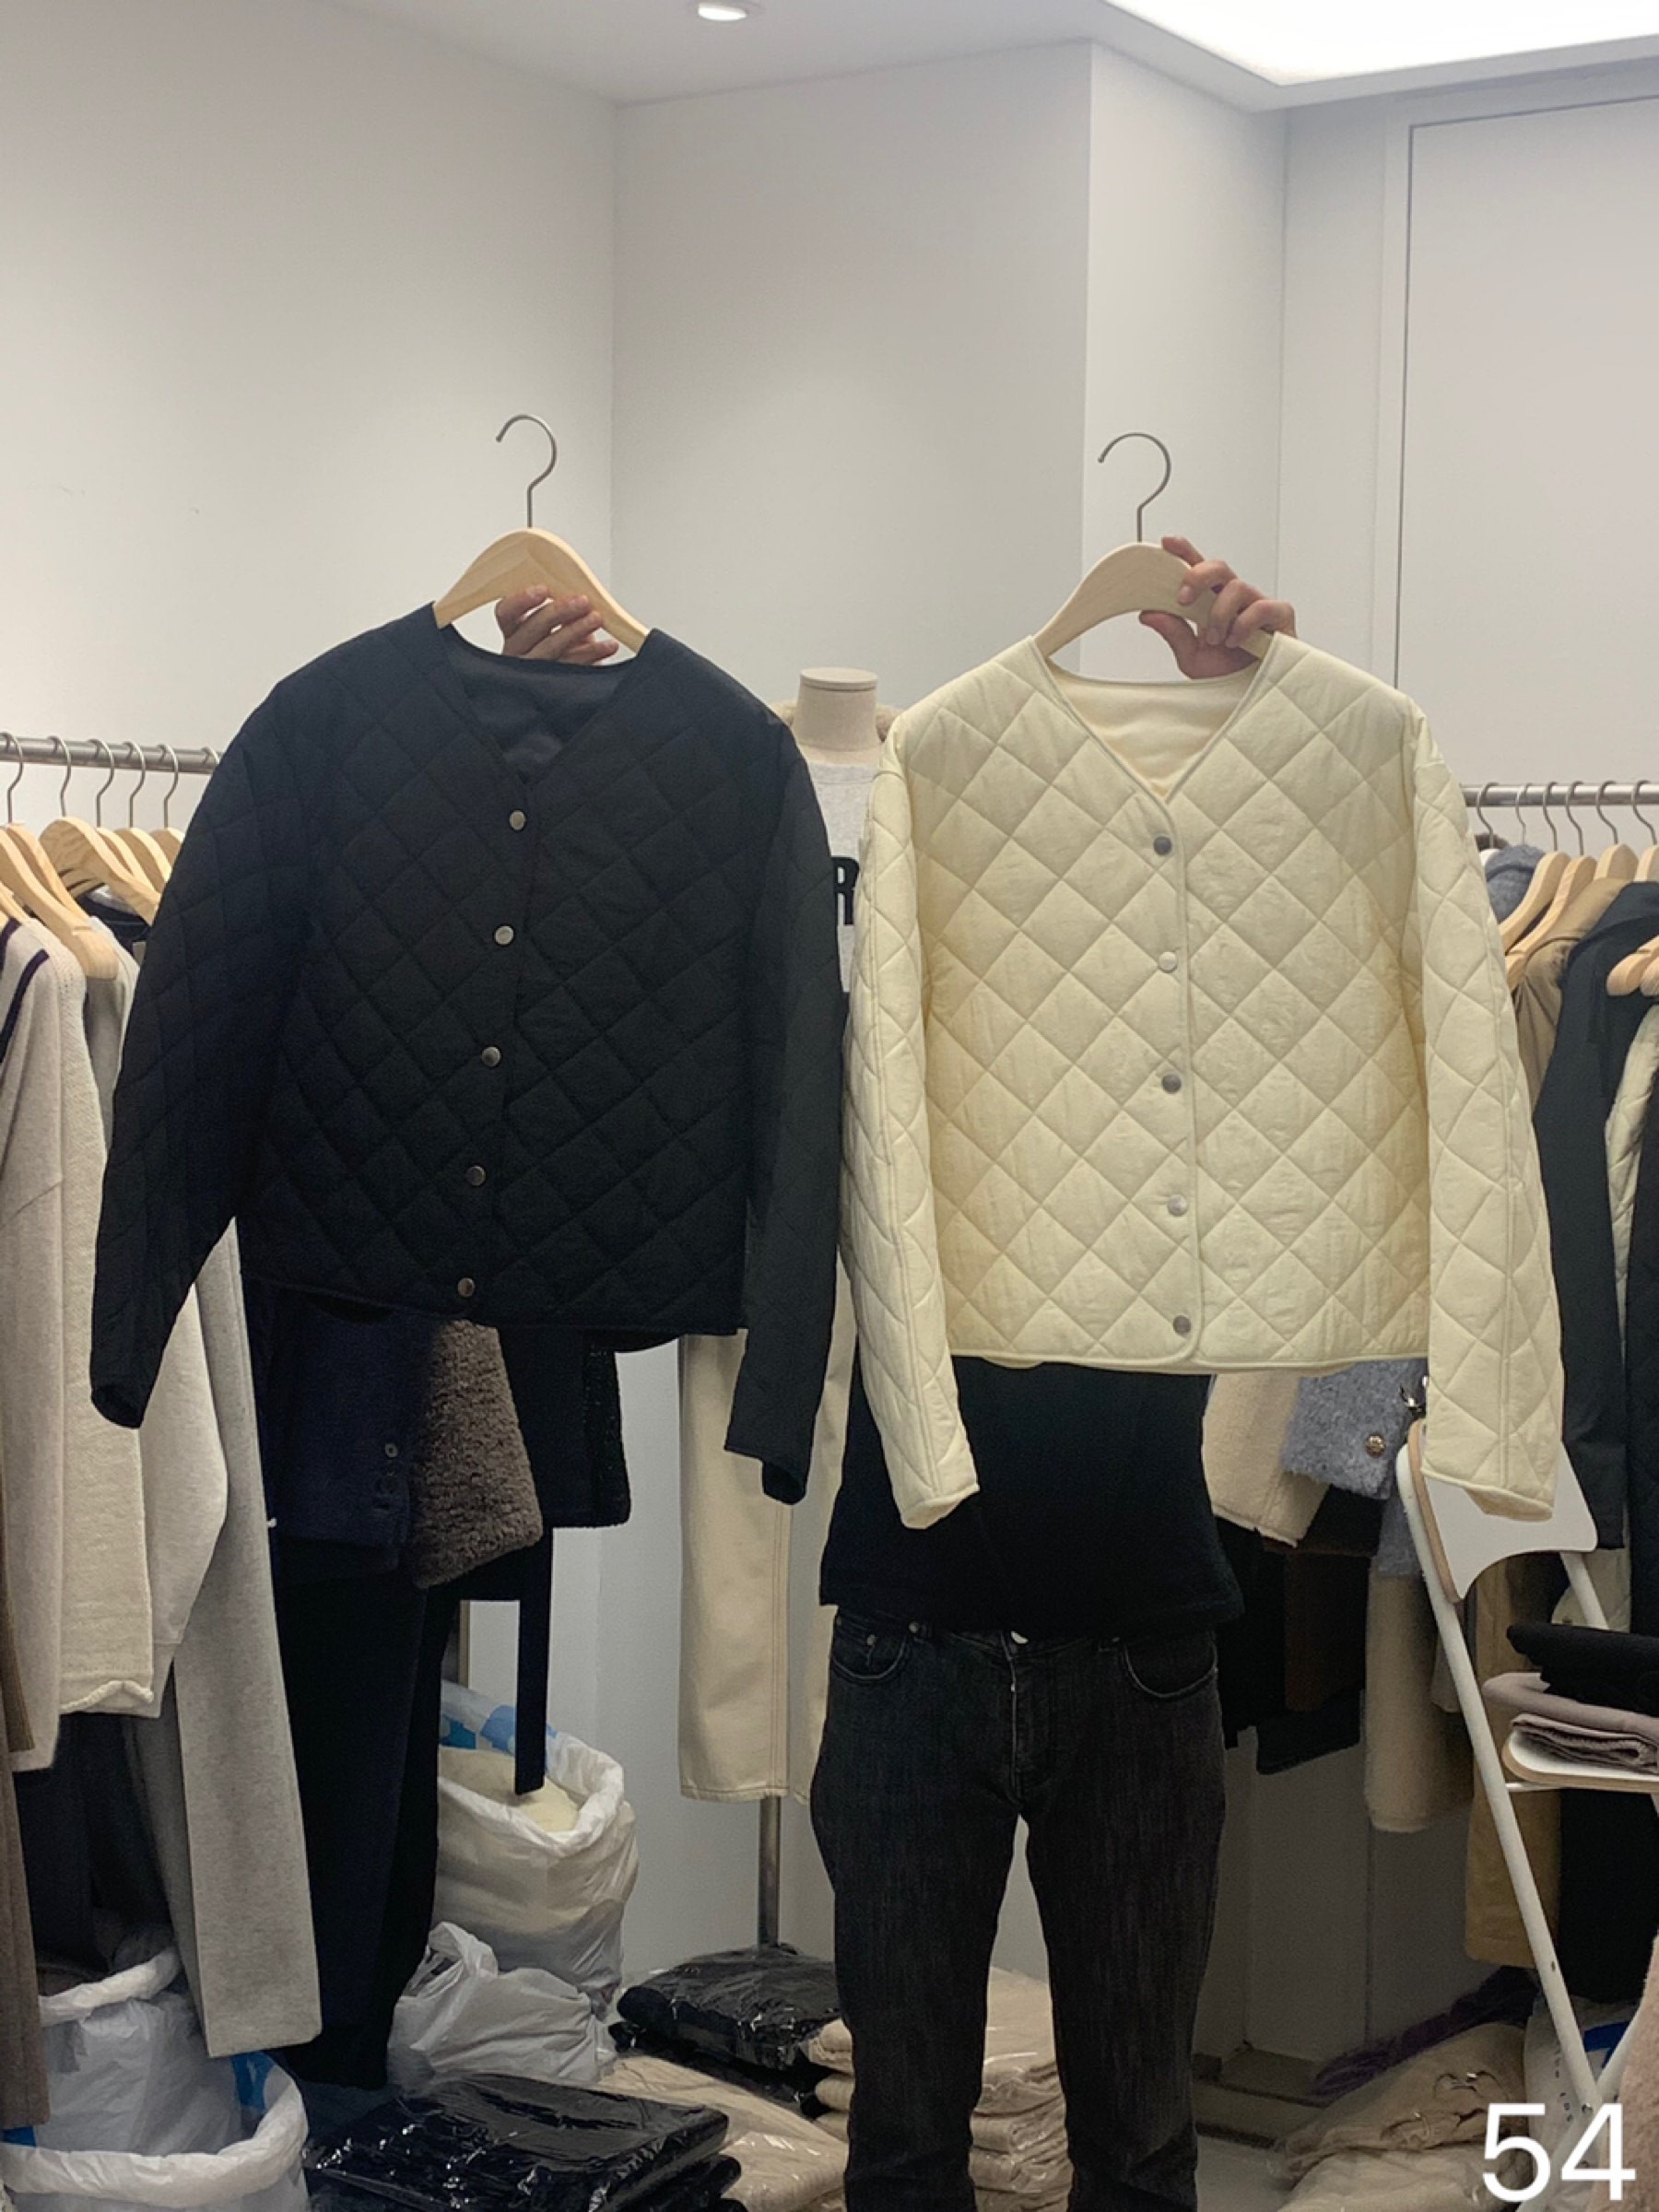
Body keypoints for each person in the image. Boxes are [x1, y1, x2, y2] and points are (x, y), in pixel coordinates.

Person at [497, 547, 1299, 2212]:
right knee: (909, 2145)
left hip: (1138, 1637)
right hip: (910, 1628)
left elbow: (1283, 948)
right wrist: (554, 732)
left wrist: (1245, 712)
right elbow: (623, 968)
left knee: (1140, 2145)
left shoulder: (1177, 1028)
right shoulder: (879, 990)